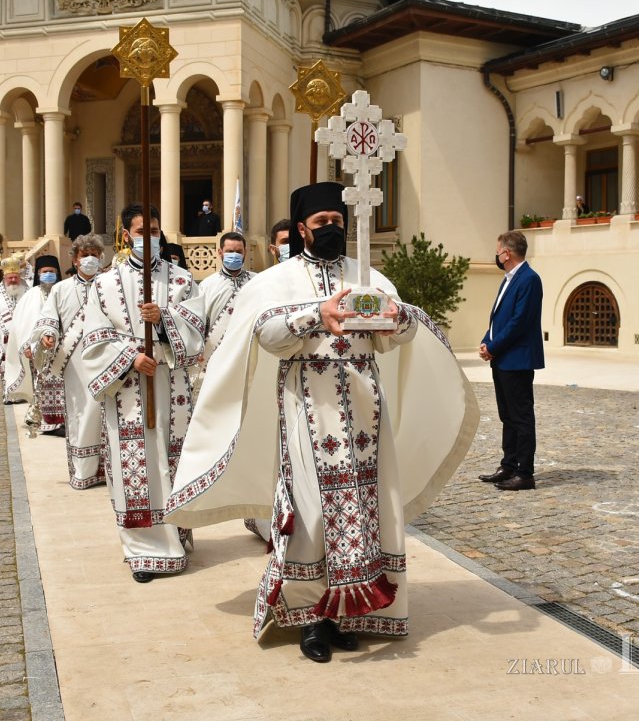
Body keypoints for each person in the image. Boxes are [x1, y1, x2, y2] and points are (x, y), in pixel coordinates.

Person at [166, 181, 477, 663]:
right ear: (301, 229)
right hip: (307, 410)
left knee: (367, 510)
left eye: (337, 221)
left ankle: (347, 612)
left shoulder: (367, 274)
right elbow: (266, 335)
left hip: (366, 414)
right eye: (321, 222)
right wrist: (316, 314)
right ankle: (311, 616)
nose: (331, 228)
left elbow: (400, 332)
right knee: (310, 515)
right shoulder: (275, 279)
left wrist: (397, 317)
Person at [75, 204, 204, 582]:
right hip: (128, 390)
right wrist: (131, 357)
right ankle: (145, 549)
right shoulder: (104, 284)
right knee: (136, 466)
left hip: (172, 387)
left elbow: (197, 329)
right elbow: (94, 338)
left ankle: (178, 533)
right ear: (125, 235)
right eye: (141, 231)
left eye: (154, 231)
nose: (149, 237)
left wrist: (163, 321)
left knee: (173, 460)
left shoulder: (182, 280)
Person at [33, 234, 107, 482]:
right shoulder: (60, 289)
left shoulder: (109, 286)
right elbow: (49, 318)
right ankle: (84, 471)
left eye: (94, 255)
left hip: (106, 358)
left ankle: (109, 471)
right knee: (80, 413)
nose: (90, 259)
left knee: (107, 414)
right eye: (85, 255)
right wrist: (48, 334)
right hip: (74, 363)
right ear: (75, 260)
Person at [478, 230, 545, 491]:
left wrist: (493, 347)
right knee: (507, 415)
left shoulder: (529, 279)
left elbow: (519, 322)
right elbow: (499, 318)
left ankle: (525, 473)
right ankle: (508, 465)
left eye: (498, 251)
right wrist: (487, 341)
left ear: (506, 253)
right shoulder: (508, 279)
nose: (496, 255)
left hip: (517, 359)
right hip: (503, 358)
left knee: (521, 417)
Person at [6, 254, 62, 420]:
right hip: (38, 349)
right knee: (41, 385)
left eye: (52, 271)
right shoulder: (31, 295)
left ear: (57, 273)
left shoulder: (63, 291)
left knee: (61, 386)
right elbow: (22, 323)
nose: (48, 275)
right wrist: (27, 345)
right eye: (45, 271)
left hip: (62, 348)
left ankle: (60, 421)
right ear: (38, 273)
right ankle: (44, 420)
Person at [199, 231, 254, 365]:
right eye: (229, 251)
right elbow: (199, 320)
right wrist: (198, 348)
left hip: (249, 349)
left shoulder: (256, 281)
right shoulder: (207, 285)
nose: (235, 255)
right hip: (216, 352)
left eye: (239, 252)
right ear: (220, 252)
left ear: (245, 252)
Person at [0, 255, 31, 400]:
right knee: (8, 366)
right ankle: (9, 395)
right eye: (10, 277)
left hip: (25, 338)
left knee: (24, 366)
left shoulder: (28, 291)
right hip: (6, 340)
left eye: (15, 277)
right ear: (5, 277)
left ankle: (24, 394)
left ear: (19, 276)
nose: (13, 280)